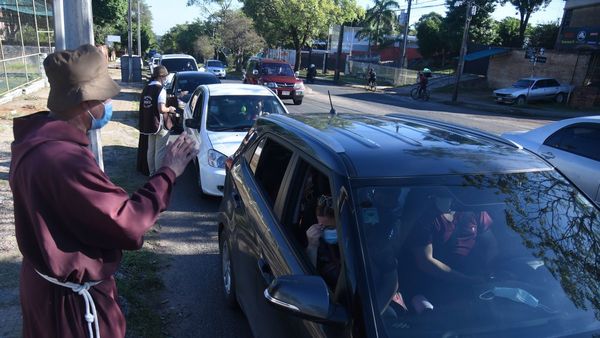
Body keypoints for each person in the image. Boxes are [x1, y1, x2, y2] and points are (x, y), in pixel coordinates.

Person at [9, 44, 198, 338]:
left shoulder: (34, 141)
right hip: (70, 309)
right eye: (105, 97)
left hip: (44, 291)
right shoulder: (63, 160)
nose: (108, 104)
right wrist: (169, 171)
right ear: (86, 102)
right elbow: (127, 221)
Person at [401, 188, 497, 312]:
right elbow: (425, 262)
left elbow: (491, 245)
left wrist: (488, 272)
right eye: (444, 193)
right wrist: (469, 280)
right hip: (433, 285)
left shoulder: (475, 211)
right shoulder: (426, 220)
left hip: (474, 281)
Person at [139, 65, 177, 176]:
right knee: (160, 151)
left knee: (150, 150)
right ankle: (158, 175)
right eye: (165, 77)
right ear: (161, 77)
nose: (166, 79)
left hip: (149, 123)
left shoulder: (146, 88)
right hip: (159, 124)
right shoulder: (161, 90)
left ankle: (151, 173)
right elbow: (161, 109)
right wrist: (170, 109)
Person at [305, 195, 341, 289]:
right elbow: (308, 280)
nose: (323, 231)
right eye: (321, 226)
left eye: (330, 228)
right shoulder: (317, 241)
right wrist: (312, 246)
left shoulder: (357, 239)